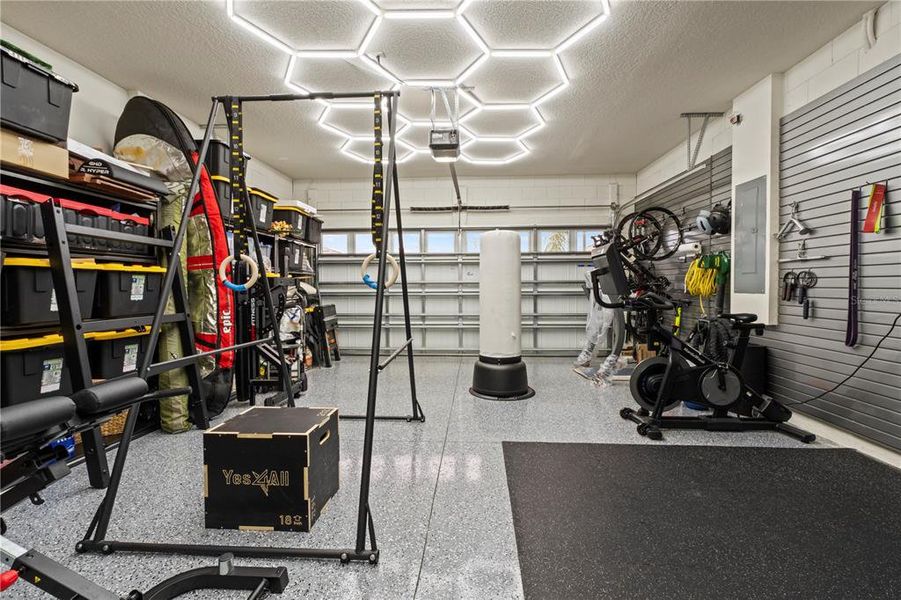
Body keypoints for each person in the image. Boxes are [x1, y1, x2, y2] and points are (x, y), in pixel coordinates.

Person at [574, 268, 615, 367]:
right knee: (597, 322)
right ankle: (588, 353)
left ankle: (588, 353)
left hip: (611, 290)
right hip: (603, 290)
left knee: (600, 322)